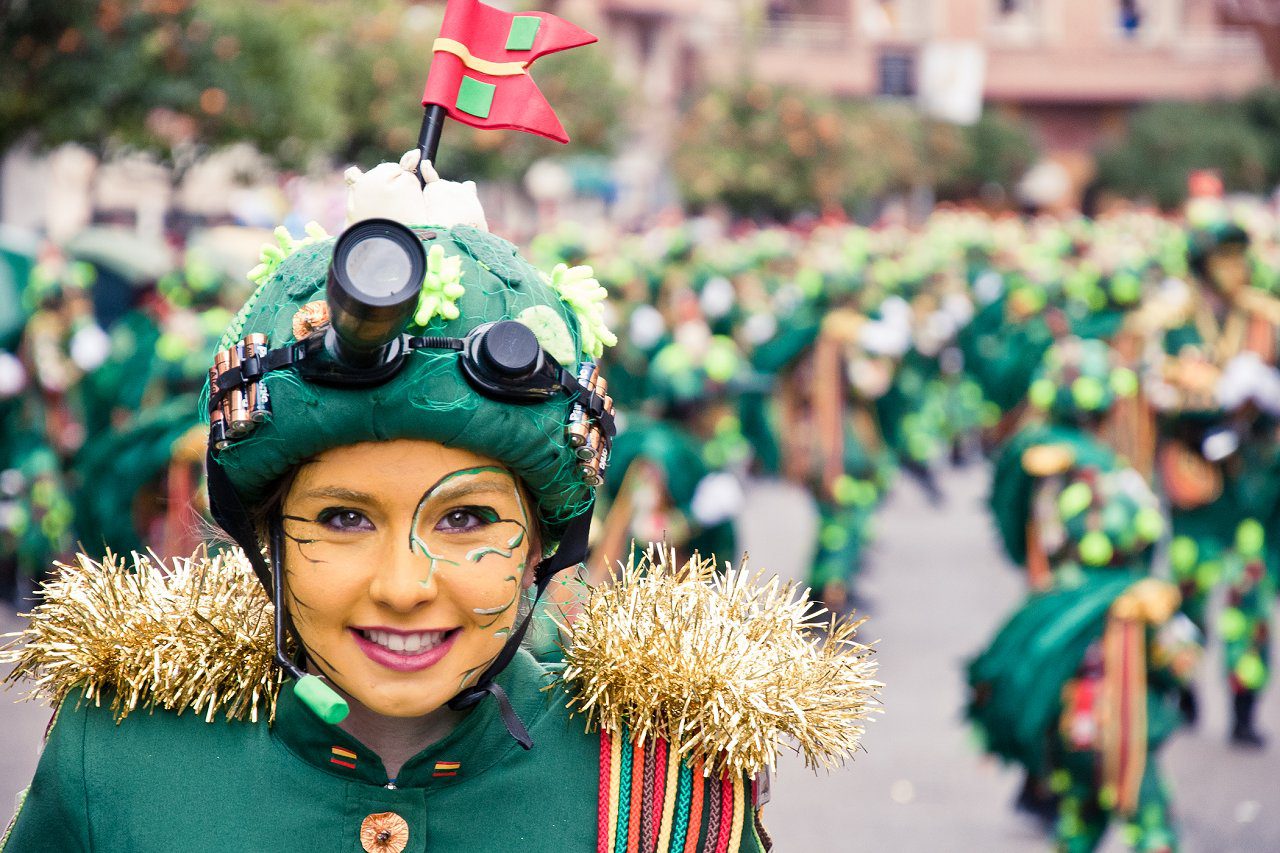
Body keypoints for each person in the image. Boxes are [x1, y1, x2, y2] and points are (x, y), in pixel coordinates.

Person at [1, 153, 879, 853]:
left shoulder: (668, 789)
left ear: (543, 540)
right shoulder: (115, 755)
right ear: (263, 535)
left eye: (466, 518)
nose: (404, 586)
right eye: (343, 518)